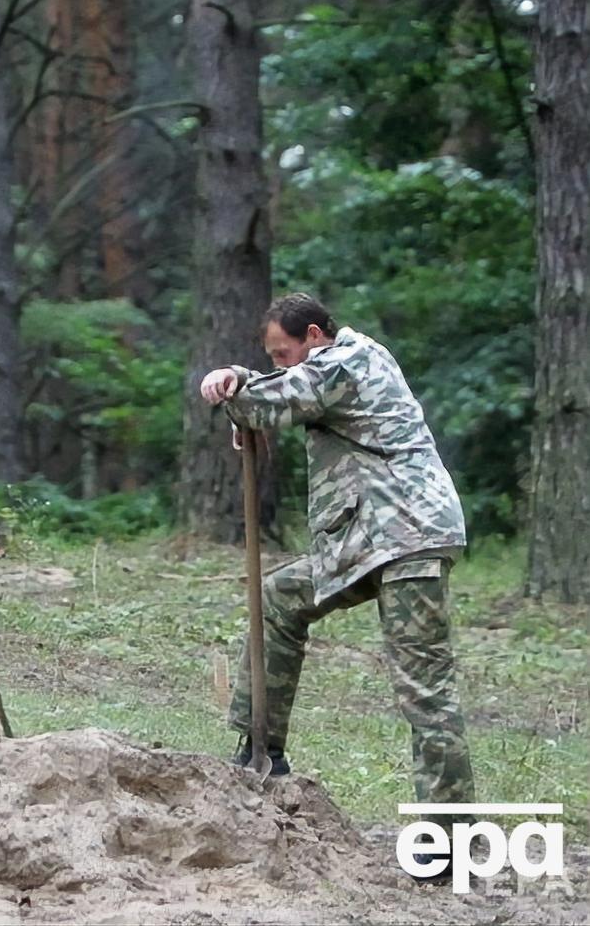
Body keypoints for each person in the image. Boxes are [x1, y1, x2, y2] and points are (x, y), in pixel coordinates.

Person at [198, 293, 476, 843]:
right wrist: (238, 377)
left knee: (425, 690)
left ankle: (450, 839)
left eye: (284, 353)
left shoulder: (346, 362)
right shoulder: (335, 363)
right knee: (279, 597)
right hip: (368, 541)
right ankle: (261, 749)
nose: (280, 363)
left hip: (407, 541)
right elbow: (274, 392)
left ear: (315, 338)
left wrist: (238, 396)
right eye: (272, 356)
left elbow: (271, 402)